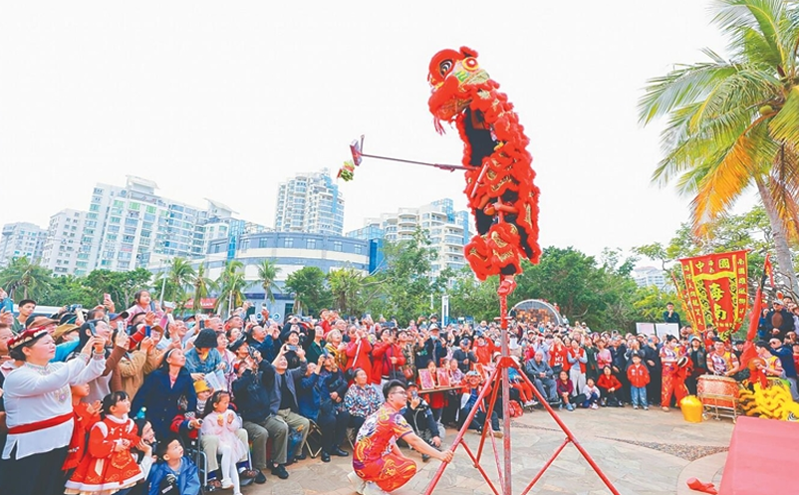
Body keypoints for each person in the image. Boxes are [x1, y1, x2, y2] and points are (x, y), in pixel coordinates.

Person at [1, 328, 106, 495]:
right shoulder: (17, 376)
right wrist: (84, 354)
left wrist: (98, 353)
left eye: (52, 341)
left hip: (59, 441)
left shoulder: (56, 367)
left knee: (49, 488)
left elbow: (86, 375)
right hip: (30, 445)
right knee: (24, 488)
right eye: (46, 343)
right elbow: (50, 382)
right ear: (27, 350)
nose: (52, 345)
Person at [349, 380, 453, 495]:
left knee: (400, 462)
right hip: (368, 465)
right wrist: (440, 455)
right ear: (391, 396)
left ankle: (359, 478)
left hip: (358, 463)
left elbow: (391, 442)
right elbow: (414, 441)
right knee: (409, 467)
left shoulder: (381, 411)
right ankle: (374, 488)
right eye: (402, 393)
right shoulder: (394, 417)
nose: (406, 395)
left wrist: (402, 459)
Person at [65, 391, 144, 494]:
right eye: (123, 400)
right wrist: (114, 445)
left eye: (127, 400)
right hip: (102, 464)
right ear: (113, 408)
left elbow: (133, 437)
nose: (127, 402)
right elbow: (94, 448)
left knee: (124, 488)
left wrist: (128, 442)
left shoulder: (130, 423)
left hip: (124, 464)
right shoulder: (101, 426)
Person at [131, 348, 197, 440]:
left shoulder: (185, 376)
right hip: (153, 413)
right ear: (168, 359)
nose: (183, 357)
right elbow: (142, 395)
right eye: (178, 354)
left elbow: (191, 397)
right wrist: (132, 414)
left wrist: (189, 416)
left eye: (183, 355)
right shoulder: (156, 375)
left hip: (172, 415)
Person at [200, 391, 247, 495]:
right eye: (224, 403)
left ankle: (236, 490)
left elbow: (236, 427)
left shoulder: (229, 413)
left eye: (228, 403)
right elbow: (208, 433)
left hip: (229, 440)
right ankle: (226, 479)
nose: (227, 405)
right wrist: (219, 425)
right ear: (215, 405)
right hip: (219, 442)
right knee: (227, 450)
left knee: (232, 462)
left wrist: (230, 423)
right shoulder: (209, 418)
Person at [660, 335, 688, 411]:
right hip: (667, 369)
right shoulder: (663, 349)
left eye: (676, 342)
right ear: (668, 342)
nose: (675, 343)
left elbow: (682, 358)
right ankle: (665, 404)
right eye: (673, 342)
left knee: (679, 386)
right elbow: (663, 360)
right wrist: (674, 361)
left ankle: (680, 403)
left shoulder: (677, 349)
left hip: (677, 369)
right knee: (667, 387)